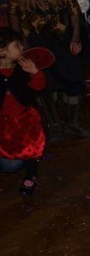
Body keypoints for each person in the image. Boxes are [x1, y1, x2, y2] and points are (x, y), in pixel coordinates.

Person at [7, 0, 90, 141]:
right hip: (34, 40)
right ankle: (54, 126)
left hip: (62, 37)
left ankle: (73, 124)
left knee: (74, 78)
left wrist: (75, 38)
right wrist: (19, 42)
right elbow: (13, 13)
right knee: (46, 81)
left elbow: (73, 10)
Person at [0, 28, 45, 195]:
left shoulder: (22, 68)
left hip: (24, 119)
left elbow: (39, 87)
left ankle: (31, 175)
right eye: (17, 45)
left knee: (30, 148)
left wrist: (35, 73)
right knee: (9, 163)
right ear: (2, 51)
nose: (22, 47)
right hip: (3, 124)